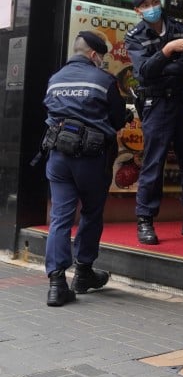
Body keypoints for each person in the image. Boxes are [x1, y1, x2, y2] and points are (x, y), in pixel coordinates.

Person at [41, 32, 129, 306]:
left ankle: (56, 284)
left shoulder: (54, 80)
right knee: (91, 213)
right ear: (94, 55)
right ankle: (83, 273)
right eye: (101, 56)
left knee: (60, 217)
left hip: (58, 156)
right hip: (92, 158)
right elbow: (116, 119)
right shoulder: (104, 81)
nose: (102, 61)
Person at [125, 0, 183, 246]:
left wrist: (161, 66)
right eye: (146, 5)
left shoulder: (179, 27)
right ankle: (145, 220)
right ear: (138, 11)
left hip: (182, 101)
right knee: (153, 163)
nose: (153, 7)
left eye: (155, 1)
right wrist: (167, 52)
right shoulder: (134, 36)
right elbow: (143, 73)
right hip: (156, 104)